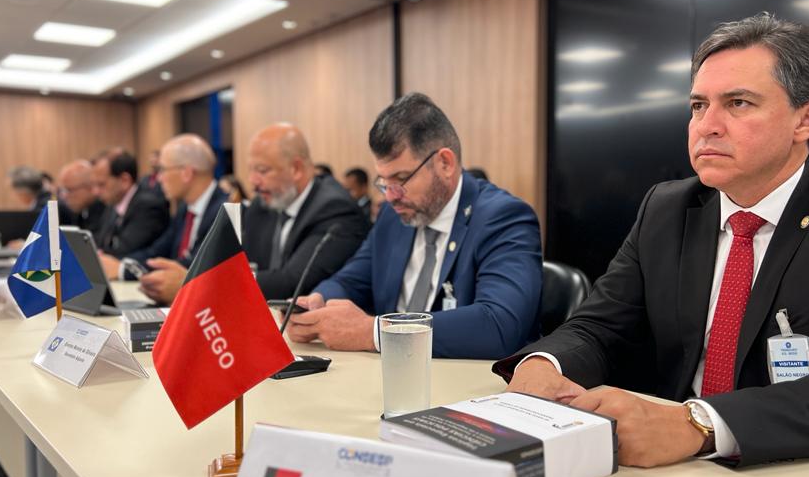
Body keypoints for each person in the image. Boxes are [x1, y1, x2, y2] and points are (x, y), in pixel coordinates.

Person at [496, 13, 809, 468]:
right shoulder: (667, 207)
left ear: (806, 119)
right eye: (699, 105)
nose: (707, 125)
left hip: (808, 470)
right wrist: (544, 365)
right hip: (673, 470)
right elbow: (599, 327)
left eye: (738, 103)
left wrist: (699, 425)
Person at [287, 92, 542, 359]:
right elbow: (351, 279)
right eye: (383, 181)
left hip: (467, 378)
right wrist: (318, 302)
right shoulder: (393, 215)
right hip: (388, 371)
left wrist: (374, 332)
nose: (390, 195)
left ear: (445, 163)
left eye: (401, 178)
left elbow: (499, 325)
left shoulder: (503, 217)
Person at [138, 124, 368, 304]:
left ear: (296, 169)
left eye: (262, 170)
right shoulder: (265, 203)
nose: (253, 182)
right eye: (250, 171)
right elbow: (225, 257)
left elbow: (291, 282)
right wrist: (185, 274)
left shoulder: (334, 209)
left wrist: (198, 284)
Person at [99, 134, 227, 281]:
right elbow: (157, 251)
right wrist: (121, 264)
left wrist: (123, 270)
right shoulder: (185, 210)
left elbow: (193, 265)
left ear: (186, 173)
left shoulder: (224, 212)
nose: (159, 178)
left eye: (163, 170)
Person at [92, 151, 169, 258]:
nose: (96, 192)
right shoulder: (112, 204)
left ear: (125, 180)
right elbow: (100, 242)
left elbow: (124, 252)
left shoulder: (149, 207)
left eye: (101, 184)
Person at [57, 159, 106, 234]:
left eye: (69, 190)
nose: (64, 196)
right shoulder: (79, 212)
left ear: (89, 187)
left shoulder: (105, 214)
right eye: (63, 191)